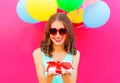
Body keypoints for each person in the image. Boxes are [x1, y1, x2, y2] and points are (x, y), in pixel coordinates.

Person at [32, 13, 80, 83]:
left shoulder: (75, 54)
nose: (57, 35)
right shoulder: (38, 53)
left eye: (62, 31)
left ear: (68, 32)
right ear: (48, 32)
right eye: (53, 31)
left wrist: (65, 76)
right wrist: (49, 76)